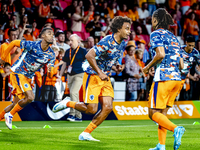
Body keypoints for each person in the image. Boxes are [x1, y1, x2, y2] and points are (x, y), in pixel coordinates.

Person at [52, 16, 131, 141]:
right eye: (126, 28)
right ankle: (67, 102)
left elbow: (113, 59)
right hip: (93, 75)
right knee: (91, 109)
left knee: (108, 107)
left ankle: (86, 133)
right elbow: (89, 55)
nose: (129, 31)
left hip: (105, 77)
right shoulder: (107, 41)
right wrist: (99, 72)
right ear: (118, 29)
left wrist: (117, 67)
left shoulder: (122, 44)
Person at [142, 8, 185, 150]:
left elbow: (160, 54)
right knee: (163, 114)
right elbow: (180, 63)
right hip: (177, 78)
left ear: (155, 20)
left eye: (153, 19)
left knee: (153, 113)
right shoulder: (173, 37)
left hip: (164, 78)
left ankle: (176, 129)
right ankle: (161, 145)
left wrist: (147, 67)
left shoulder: (155, 34)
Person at [0, 27, 55, 130]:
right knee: (30, 97)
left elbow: (50, 73)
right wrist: (3, 58)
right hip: (18, 72)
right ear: (42, 36)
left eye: (52, 34)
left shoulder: (51, 54)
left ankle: (4, 115)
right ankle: (10, 115)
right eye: (49, 33)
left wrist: (50, 71)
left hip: (28, 77)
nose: (52, 35)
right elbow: (14, 43)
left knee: (15, 103)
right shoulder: (32, 45)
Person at [59, 34, 87, 122]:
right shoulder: (68, 51)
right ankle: (79, 116)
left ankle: (72, 114)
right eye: (69, 40)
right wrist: (60, 75)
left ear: (78, 41)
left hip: (79, 74)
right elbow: (64, 63)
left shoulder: (83, 51)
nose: (70, 42)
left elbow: (88, 61)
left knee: (73, 92)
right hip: (70, 75)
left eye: (72, 40)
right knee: (74, 95)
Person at [179, 36, 200, 100]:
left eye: (193, 46)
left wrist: (198, 74)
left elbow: (198, 66)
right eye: (189, 45)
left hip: (187, 77)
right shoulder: (180, 50)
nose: (191, 48)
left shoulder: (196, 53)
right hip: (177, 76)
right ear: (186, 43)